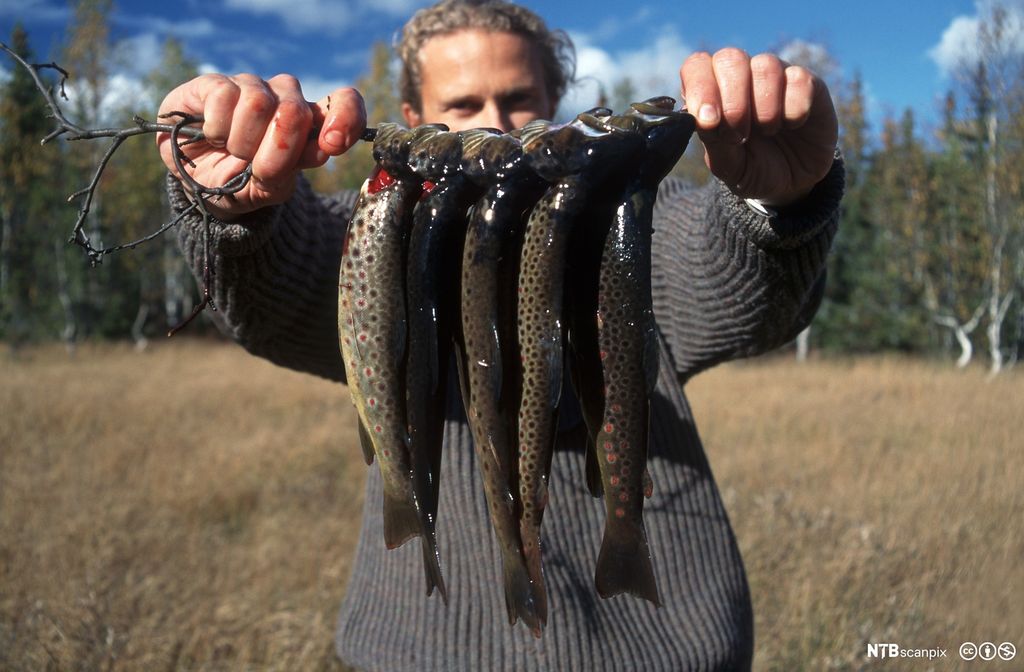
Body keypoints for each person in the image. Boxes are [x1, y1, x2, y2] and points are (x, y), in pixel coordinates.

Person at [156, 1, 843, 669]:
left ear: (559, 100)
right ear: (416, 118)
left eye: (518, 99)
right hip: (423, 654)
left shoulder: (640, 223)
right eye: (462, 106)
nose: (495, 123)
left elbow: (740, 292)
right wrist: (233, 203)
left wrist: (779, 201)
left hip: (670, 650)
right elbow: (282, 290)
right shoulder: (380, 229)